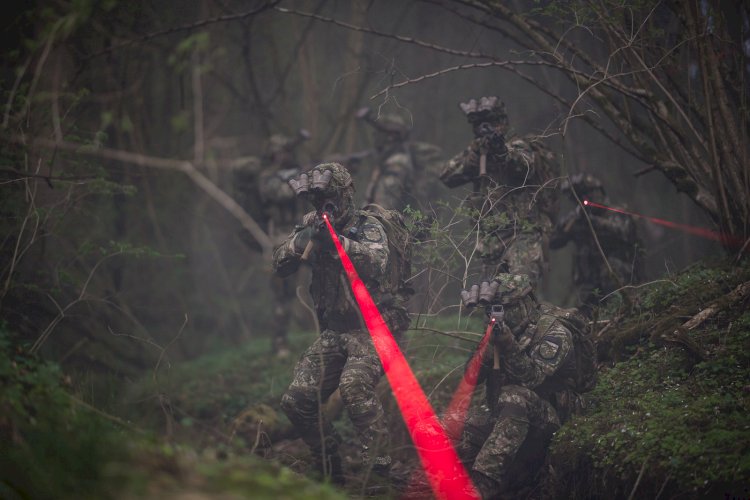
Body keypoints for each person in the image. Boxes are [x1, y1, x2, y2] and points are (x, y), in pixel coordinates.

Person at [274, 162, 411, 483]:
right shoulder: (311, 224)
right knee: (296, 400)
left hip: (374, 329)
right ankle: (328, 463)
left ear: (347, 194)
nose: (327, 207)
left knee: (354, 386)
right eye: (320, 202)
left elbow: (376, 263)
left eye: (332, 199)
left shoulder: (368, 226)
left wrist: (339, 243)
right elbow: (279, 265)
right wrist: (301, 241)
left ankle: (380, 474)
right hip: (336, 331)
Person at [445, 273, 595, 498]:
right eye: (494, 310)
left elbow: (533, 380)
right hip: (507, 419)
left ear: (526, 303)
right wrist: (488, 347)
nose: (499, 315)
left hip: (554, 416)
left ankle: (483, 484)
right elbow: (469, 380)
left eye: (506, 308)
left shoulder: (554, 333)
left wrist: (508, 345)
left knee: (514, 396)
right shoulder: (501, 328)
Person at [440, 97, 559, 287]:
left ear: (502, 123)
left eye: (491, 123)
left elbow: (524, 165)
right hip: (491, 240)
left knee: (517, 291)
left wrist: (501, 150)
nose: (485, 128)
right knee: (491, 298)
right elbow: (447, 175)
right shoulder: (479, 151)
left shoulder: (519, 145)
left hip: (523, 235)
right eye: (479, 125)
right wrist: (476, 154)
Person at [549, 173, 643, 314]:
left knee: (620, 308)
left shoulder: (616, 213)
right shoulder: (576, 220)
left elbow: (624, 232)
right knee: (582, 315)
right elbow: (554, 242)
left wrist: (594, 222)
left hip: (619, 280)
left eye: (590, 195)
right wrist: (573, 222)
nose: (587, 200)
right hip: (588, 282)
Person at [256, 131, 310, 357]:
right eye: (280, 152)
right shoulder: (267, 177)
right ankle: (280, 341)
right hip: (279, 239)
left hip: (306, 234)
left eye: (287, 151)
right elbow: (283, 194)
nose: (284, 156)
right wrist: (300, 180)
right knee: (283, 294)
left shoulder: (296, 172)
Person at [357, 107, 416, 211]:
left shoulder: (397, 164)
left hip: (389, 225)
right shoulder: (387, 163)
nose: (375, 136)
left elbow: (383, 211)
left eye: (379, 132)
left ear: (391, 136)